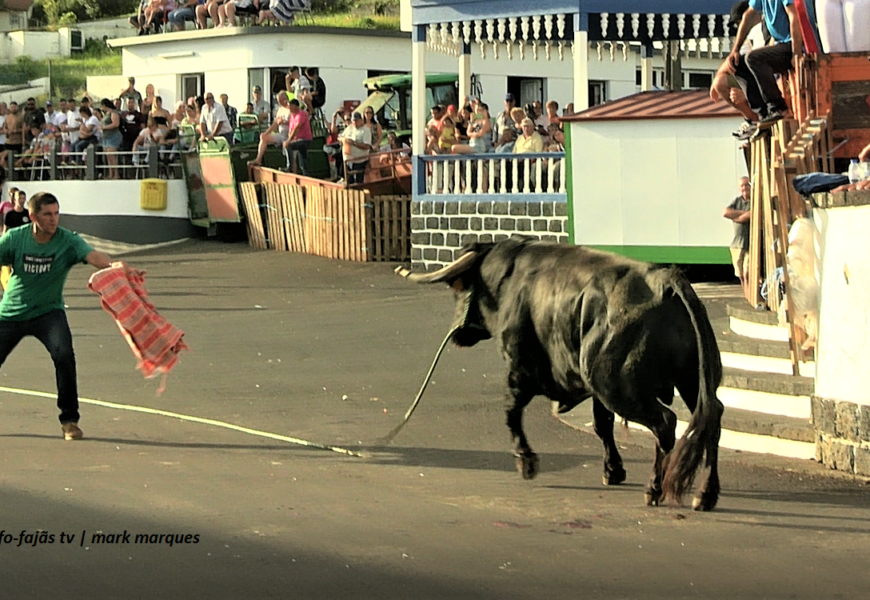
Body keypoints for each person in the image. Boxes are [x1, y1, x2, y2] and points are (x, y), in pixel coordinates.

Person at [0, 192, 122, 441]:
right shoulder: (15, 238)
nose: (53, 219)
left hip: (48, 312)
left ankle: (69, 421)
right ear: (33, 216)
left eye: (56, 213)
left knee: (64, 355)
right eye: (47, 214)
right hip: (11, 312)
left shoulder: (68, 241)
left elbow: (93, 256)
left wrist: (114, 266)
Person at [725, 0, 803, 130]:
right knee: (737, 63)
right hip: (781, 45)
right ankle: (763, 113)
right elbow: (748, 15)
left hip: (794, 43)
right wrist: (735, 50)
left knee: (754, 58)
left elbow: (794, 15)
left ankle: (779, 108)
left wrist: (797, 52)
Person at [724, 177, 752, 292]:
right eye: (742, 186)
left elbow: (751, 214)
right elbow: (725, 212)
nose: (744, 188)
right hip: (736, 244)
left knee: (747, 272)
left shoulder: (754, 201)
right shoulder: (737, 201)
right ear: (739, 188)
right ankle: (745, 292)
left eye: (746, 185)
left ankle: (750, 292)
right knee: (740, 273)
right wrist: (743, 214)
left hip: (750, 243)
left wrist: (736, 217)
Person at [340, 111, 372, 185]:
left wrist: (354, 143)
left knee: (358, 182)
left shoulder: (365, 131)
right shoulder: (349, 128)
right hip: (348, 160)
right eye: (353, 121)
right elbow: (340, 136)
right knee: (349, 180)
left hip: (360, 161)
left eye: (356, 121)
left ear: (361, 120)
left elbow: (367, 146)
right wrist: (343, 140)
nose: (354, 123)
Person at [283, 98, 313, 176]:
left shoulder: (301, 114)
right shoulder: (292, 116)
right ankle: (306, 174)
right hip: (298, 139)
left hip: (305, 139)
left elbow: (297, 128)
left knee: (289, 146)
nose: (289, 108)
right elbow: (291, 130)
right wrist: (290, 138)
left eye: (290, 106)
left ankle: (289, 167)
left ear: (295, 106)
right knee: (302, 156)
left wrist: (289, 141)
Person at [99, 98, 123, 180]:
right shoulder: (106, 114)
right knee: (108, 157)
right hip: (106, 137)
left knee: (112, 156)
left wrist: (104, 127)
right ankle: (110, 173)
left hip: (113, 136)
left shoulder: (113, 112)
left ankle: (116, 174)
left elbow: (116, 124)